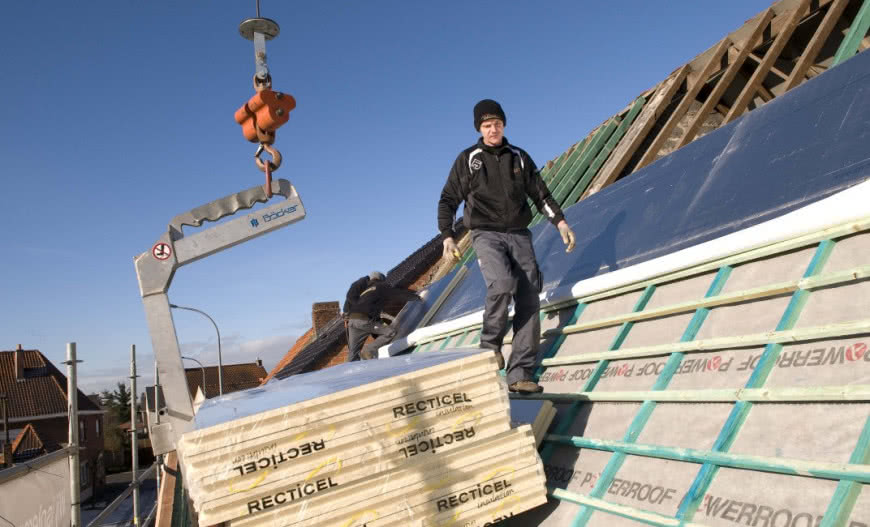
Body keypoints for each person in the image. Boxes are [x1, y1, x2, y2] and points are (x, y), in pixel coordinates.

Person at [437, 99, 576, 394]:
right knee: (501, 284)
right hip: (485, 233)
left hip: (519, 233)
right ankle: (490, 348)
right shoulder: (469, 159)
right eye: (487, 126)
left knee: (529, 297)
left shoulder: (519, 158)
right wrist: (447, 235)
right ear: (480, 128)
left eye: (497, 124)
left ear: (504, 125)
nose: (492, 130)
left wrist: (560, 222)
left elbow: (541, 195)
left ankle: (521, 373)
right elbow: (448, 199)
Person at [343, 271, 421, 361]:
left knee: (353, 352)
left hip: (352, 320)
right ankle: (369, 350)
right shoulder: (381, 286)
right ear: (381, 280)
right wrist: (416, 297)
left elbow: (350, 298)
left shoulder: (366, 291)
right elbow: (397, 293)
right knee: (390, 332)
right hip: (364, 319)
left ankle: (350, 372)